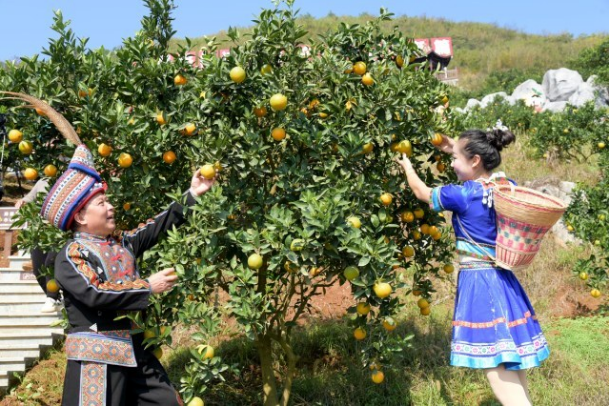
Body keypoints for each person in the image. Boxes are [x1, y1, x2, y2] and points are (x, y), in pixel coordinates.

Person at [40, 144, 214, 406]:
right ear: (80, 216)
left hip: (135, 352)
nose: (111, 207)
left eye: (107, 200)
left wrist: (192, 194)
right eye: (101, 202)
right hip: (97, 359)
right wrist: (147, 287)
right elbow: (95, 292)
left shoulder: (122, 244)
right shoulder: (72, 254)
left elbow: (157, 227)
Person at [395, 124, 548, 406]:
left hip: (480, 283)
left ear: (475, 160)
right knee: (511, 361)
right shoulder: (506, 186)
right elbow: (479, 165)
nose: (451, 164)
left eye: (455, 159)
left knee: (494, 366)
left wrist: (405, 165)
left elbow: (422, 193)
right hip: (504, 279)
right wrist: (456, 146)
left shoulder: (461, 194)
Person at [16, 178, 62, 313]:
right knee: (38, 268)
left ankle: (52, 297)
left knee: (50, 263)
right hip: (40, 231)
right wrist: (22, 201)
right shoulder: (43, 181)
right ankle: (55, 298)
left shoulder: (69, 178)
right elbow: (29, 198)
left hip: (59, 230)